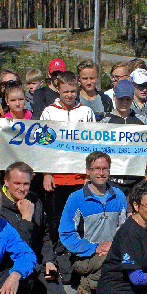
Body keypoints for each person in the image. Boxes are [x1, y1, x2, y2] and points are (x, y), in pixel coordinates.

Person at [39, 71, 96, 275]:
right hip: (57, 176)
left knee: (78, 219)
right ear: (58, 89)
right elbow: (43, 145)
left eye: (73, 91)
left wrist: (89, 175)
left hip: (79, 176)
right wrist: (46, 173)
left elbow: (92, 144)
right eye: (65, 91)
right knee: (55, 219)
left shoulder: (86, 112)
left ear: (78, 90)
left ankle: (75, 258)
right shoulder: (49, 112)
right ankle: (55, 258)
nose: (69, 95)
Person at [0, 162, 70, 294]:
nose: (22, 188)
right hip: (8, 266)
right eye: (17, 183)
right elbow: (15, 248)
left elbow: (45, 234)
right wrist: (26, 219)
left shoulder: (35, 200)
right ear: (6, 182)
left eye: (26, 184)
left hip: (34, 265)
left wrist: (49, 261)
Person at [59, 151, 127, 294]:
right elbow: (66, 234)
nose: (101, 173)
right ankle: (87, 286)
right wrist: (95, 248)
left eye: (105, 168)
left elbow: (123, 228)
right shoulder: (76, 198)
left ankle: (105, 286)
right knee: (111, 262)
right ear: (88, 171)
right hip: (83, 256)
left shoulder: (119, 195)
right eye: (96, 168)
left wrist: (114, 246)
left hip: (111, 250)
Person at [101, 79, 147, 195]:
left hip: (137, 181)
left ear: (133, 98)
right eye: (121, 99)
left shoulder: (142, 121)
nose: (124, 103)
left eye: (128, 99)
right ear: (114, 97)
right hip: (112, 181)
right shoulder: (105, 122)